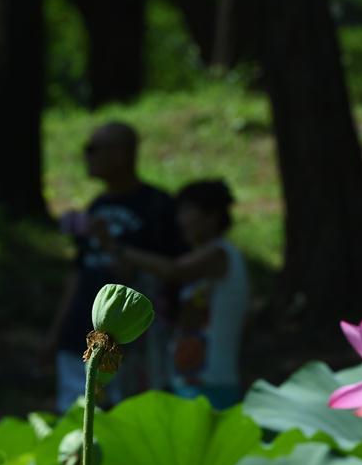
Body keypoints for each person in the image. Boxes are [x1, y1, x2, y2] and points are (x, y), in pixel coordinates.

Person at [43, 121, 185, 412]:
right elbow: (78, 272)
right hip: (78, 333)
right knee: (74, 418)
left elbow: (169, 271)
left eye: (93, 149)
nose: (87, 156)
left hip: (132, 341)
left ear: (122, 153)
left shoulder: (157, 206)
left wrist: (114, 246)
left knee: (122, 418)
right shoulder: (97, 205)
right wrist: (56, 332)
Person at [98, 180, 249, 409]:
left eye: (189, 211)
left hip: (213, 379)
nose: (181, 220)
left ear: (212, 216)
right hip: (189, 376)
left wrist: (116, 247)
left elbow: (174, 270)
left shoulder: (221, 254)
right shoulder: (201, 256)